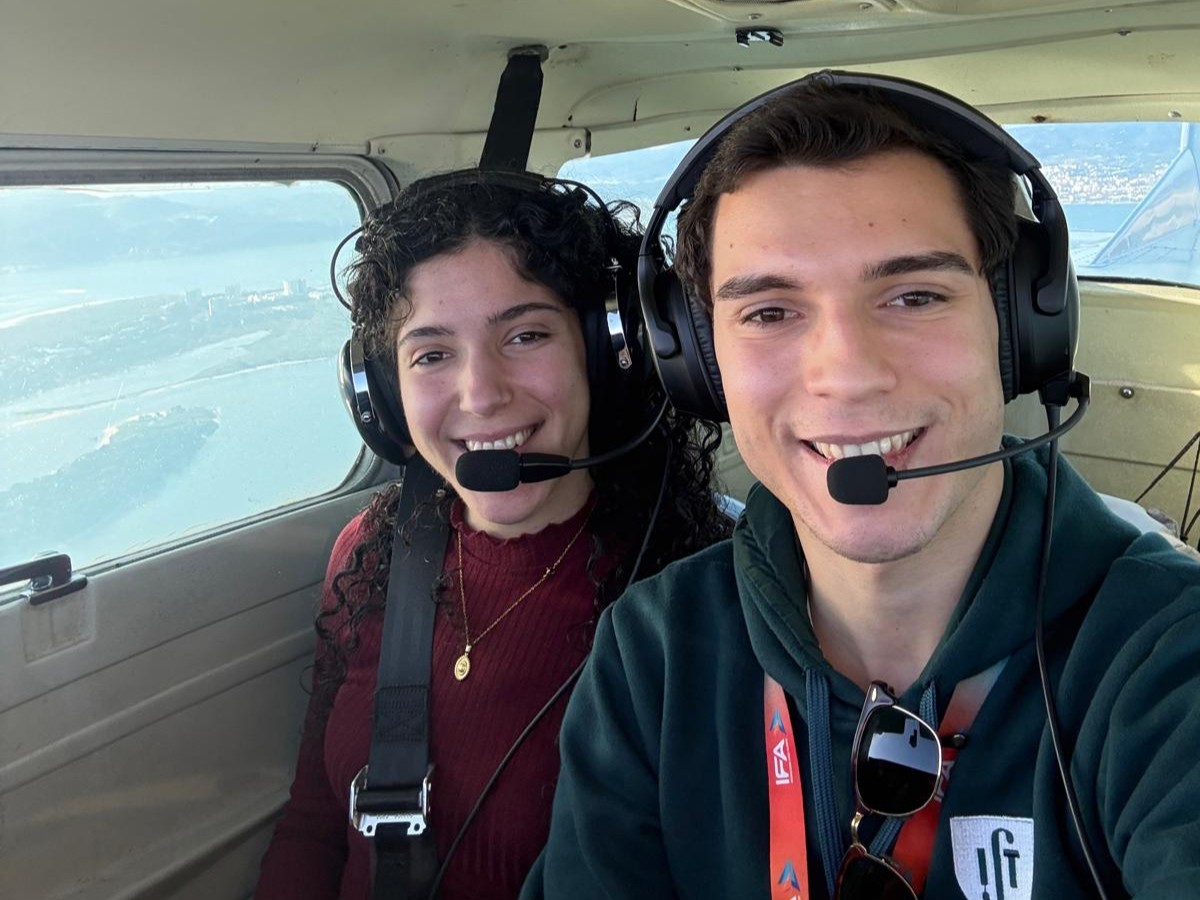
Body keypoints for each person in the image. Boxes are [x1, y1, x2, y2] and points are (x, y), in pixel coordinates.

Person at [522, 72, 1200, 899]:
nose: (846, 374)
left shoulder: (1169, 659)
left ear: (1021, 326)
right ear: (700, 366)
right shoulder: (654, 654)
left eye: (914, 295)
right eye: (769, 312)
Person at [254, 170, 731, 900]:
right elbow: (315, 824)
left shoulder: (695, 601)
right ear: (384, 394)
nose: (482, 394)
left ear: (604, 352)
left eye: (526, 333)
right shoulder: (371, 554)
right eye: (432, 353)